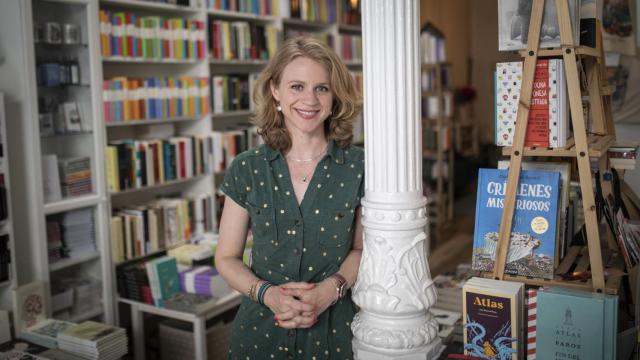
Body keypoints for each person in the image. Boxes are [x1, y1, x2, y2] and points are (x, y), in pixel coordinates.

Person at [215, 36, 364, 359]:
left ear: (334, 95)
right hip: (259, 336)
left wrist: (330, 290)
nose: (309, 99)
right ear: (275, 91)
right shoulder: (247, 168)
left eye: (321, 88)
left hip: (335, 333)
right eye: (297, 86)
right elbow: (226, 257)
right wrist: (268, 295)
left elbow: (361, 248)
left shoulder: (359, 167)